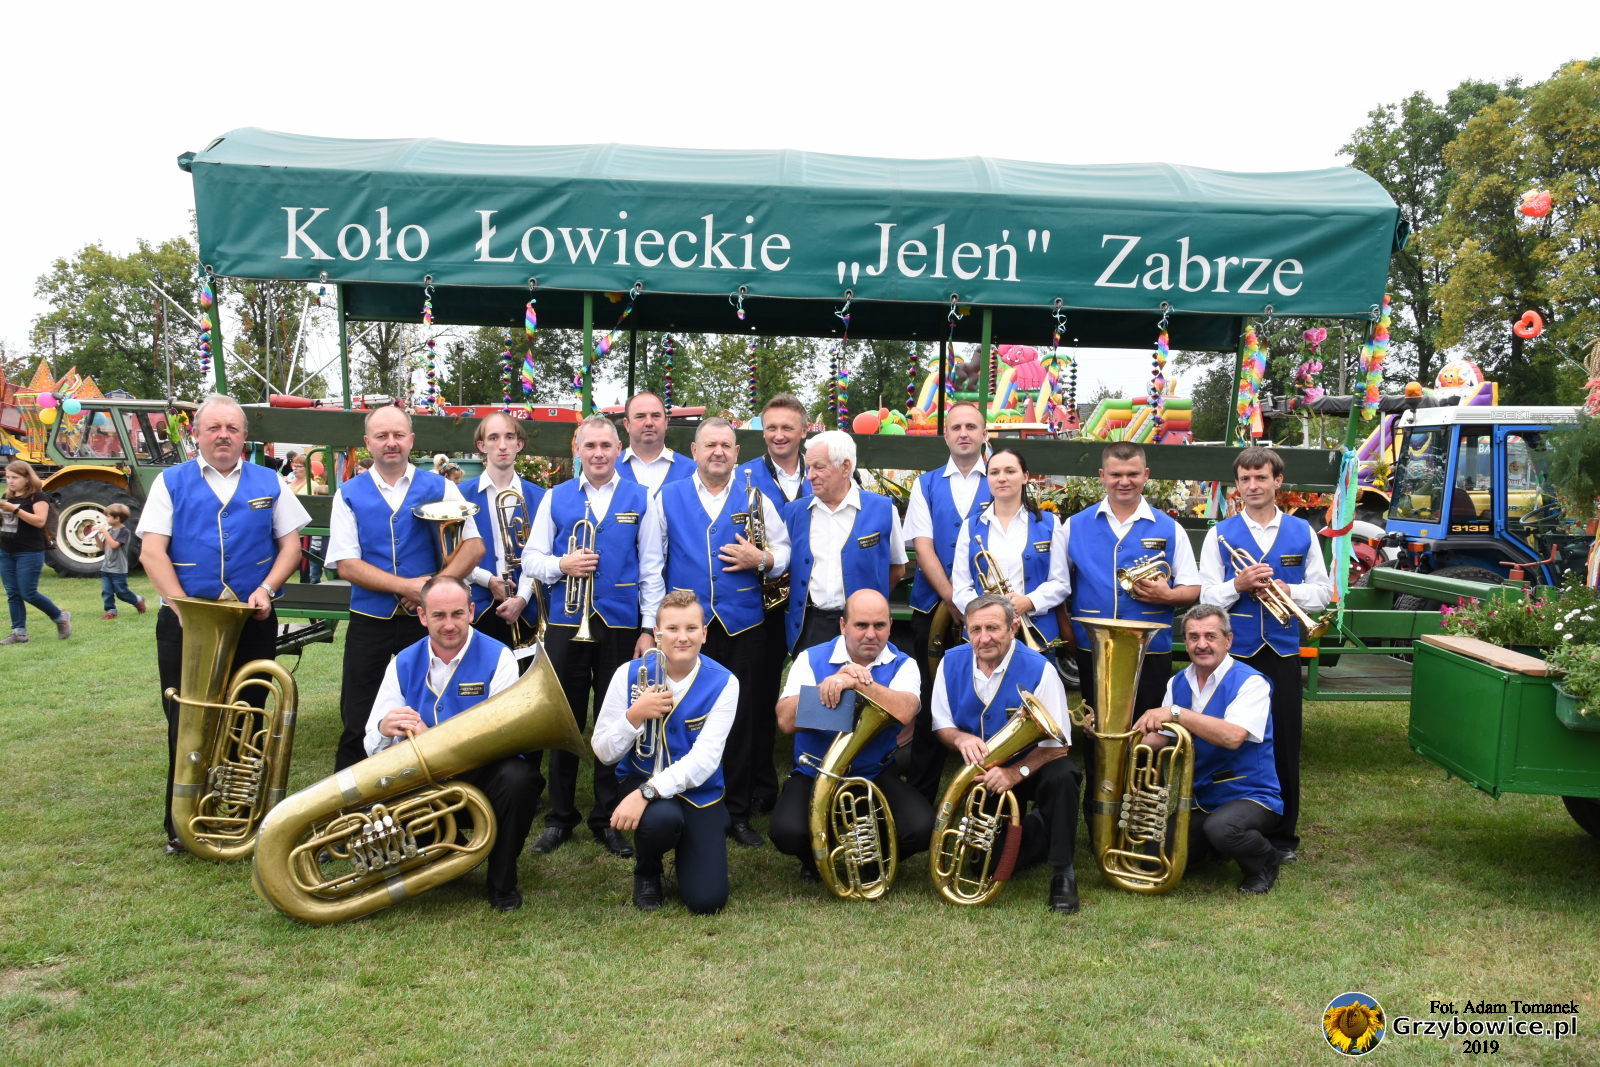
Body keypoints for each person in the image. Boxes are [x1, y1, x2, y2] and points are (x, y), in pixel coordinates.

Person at [136, 395, 309, 853]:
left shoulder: (269, 481)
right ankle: (180, 825)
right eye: (213, 427)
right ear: (196, 434)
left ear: (244, 435)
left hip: (252, 618)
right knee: (186, 721)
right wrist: (182, 609)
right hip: (185, 622)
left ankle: (235, 813)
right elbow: (152, 552)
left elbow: (291, 546)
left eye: (232, 428)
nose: (223, 435)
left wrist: (267, 588)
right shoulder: (170, 481)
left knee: (249, 714)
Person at [511, 415, 657, 859]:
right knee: (564, 719)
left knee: (617, 717)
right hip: (566, 623)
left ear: (618, 450)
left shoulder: (641, 497)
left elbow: (651, 568)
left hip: (619, 622)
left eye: (606, 446)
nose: (598, 453)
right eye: (590, 446)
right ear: (577, 449)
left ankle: (607, 816)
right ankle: (560, 816)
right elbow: (531, 560)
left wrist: (648, 628)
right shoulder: (555, 497)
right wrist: (562, 565)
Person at [640, 417, 789, 849]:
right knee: (684, 714)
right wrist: (655, 626)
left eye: (726, 445)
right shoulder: (667, 497)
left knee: (742, 720)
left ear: (737, 453)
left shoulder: (756, 496)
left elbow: (785, 552)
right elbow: (652, 565)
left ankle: (736, 812)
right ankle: (685, 801)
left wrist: (762, 559)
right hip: (687, 630)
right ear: (694, 450)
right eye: (710, 445)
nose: (718, 451)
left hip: (743, 625)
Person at [325, 404, 483, 772]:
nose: (391, 442)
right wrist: (407, 587)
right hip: (370, 619)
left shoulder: (441, 486)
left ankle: (433, 784)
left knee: (434, 705)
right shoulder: (348, 493)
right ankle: (352, 794)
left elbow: (473, 547)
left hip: (428, 619)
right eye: (381, 436)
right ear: (368, 442)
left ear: (411, 440)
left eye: (398, 435)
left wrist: (434, 589)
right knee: (358, 714)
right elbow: (346, 563)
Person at [364, 576, 536, 912]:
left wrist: (432, 740)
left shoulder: (499, 657)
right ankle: (445, 850)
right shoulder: (402, 662)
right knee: (382, 791)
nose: (449, 625)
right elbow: (372, 746)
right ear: (422, 616)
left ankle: (502, 881)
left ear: (471, 611)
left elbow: (501, 736)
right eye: (439, 615)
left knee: (520, 779)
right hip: (421, 777)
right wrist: (385, 728)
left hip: (481, 771)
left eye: (457, 614)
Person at [1199, 445, 1331, 862]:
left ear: (1278, 481)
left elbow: (1323, 592)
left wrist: (1291, 591)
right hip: (1235, 654)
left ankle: (1283, 835)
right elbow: (1205, 596)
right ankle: (1226, 825)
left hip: (1282, 651)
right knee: (1231, 740)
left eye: (1261, 477)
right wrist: (1236, 586)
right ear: (1237, 485)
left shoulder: (1303, 531)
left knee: (1284, 741)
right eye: (1245, 479)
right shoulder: (1220, 534)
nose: (1253, 485)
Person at [931, 593, 1081, 913]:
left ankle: (1063, 873)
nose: (984, 638)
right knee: (986, 864)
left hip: (1033, 767)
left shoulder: (1041, 669)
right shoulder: (950, 663)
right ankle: (1040, 830)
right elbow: (942, 725)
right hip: (986, 774)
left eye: (993, 628)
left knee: (1064, 776)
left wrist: (1016, 772)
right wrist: (960, 739)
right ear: (966, 631)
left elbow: (1059, 746)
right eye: (976, 629)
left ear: (1013, 628)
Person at [771, 589, 931, 886]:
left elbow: (905, 711)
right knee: (787, 832)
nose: (871, 634)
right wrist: (827, 687)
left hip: (874, 773)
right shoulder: (810, 658)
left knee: (920, 827)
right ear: (843, 625)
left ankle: (872, 860)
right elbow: (785, 721)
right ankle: (814, 858)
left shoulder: (904, 663)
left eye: (879, 625)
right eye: (861, 625)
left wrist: (854, 682)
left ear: (890, 626)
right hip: (815, 771)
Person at [592, 590, 735, 914]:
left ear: (704, 633)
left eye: (691, 628)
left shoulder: (725, 683)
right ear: (657, 634)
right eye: (672, 629)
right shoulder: (627, 674)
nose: (682, 637)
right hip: (641, 778)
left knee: (707, 901)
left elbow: (704, 761)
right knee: (662, 820)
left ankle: (691, 847)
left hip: (698, 792)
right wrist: (634, 715)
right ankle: (648, 870)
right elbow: (603, 751)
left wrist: (647, 792)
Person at [1132, 605, 1283, 894]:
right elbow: (1159, 739)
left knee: (1222, 829)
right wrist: (1118, 737)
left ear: (1229, 640)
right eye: (1193, 637)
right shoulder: (1177, 682)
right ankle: (1215, 850)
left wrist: (1177, 713)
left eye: (1210, 636)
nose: (1201, 644)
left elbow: (1233, 737)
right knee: (1155, 857)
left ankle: (1266, 860)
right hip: (1202, 798)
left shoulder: (1251, 682)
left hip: (1251, 795)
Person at [1064, 441, 1202, 719]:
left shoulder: (1170, 528)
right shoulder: (1074, 526)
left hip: (1151, 647)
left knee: (1147, 722)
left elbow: (1192, 588)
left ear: (1146, 475)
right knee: (1097, 723)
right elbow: (1059, 585)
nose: (1124, 481)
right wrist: (1067, 633)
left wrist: (1168, 595)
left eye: (1133, 474)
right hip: (1093, 645)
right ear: (1102, 476)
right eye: (1116, 474)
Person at [901, 401, 990, 803]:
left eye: (971, 426)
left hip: (989, 613)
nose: (964, 433)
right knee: (930, 696)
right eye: (956, 427)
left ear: (984, 434)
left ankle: (986, 795)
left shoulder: (1001, 476)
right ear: (946, 436)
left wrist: (974, 607)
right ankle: (920, 797)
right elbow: (923, 546)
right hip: (933, 608)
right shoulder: (926, 484)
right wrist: (954, 600)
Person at [733, 392, 813, 816]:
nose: (778, 435)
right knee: (758, 695)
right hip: (761, 605)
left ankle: (814, 778)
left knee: (817, 692)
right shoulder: (741, 475)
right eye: (771, 428)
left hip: (812, 603)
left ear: (804, 430)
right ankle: (759, 784)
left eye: (787, 427)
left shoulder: (824, 468)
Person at [783, 430, 907, 653]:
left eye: (819, 467)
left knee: (864, 676)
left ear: (846, 467)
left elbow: (897, 568)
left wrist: (869, 606)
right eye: (808, 467)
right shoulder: (795, 512)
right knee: (812, 677)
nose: (810, 476)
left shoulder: (883, 509)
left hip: (864, 628)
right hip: (812, 626)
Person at [951, 447, 1070, 649]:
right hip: (984, 634)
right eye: (994, 472)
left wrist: (1029, 601)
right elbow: (961, 587)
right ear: (987, 479)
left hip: (1037, 631)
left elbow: (1060, 582)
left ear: (1025, 477)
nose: (1002, 478)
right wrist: (990, 613)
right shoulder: (970, 526)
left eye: (1010, 471)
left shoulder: (1050, 524)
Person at [463, 412, 546, 658]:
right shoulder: (460, 495)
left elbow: (544, 553)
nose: (502, 445)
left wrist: (522, 597)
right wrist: (487, 580)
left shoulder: (541, 497)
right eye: (493, 438)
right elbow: (454, 554)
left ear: (519, 444)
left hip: (528, 608)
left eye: (509, 437)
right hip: (477, 605)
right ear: (481, 446)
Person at [1, 460, 71, 644]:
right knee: (13, 593)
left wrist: (15, 510)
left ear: (27, 478)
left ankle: (60, 616)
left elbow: (40, 521)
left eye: (15, 477)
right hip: (6, 551)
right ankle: (19, 632)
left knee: (28, 592)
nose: (10, 481)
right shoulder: (7, 497)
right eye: (8, 477)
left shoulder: (38, 497)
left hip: (29, 551)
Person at [617, 391, 694, 492]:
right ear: (627, 424)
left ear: (666, 421)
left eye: (656, 416)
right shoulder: (610, 468)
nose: (649, 423)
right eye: (640, 416)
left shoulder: (691, 470)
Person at [96, 502, 147, 619]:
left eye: (108, 516)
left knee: (121, 592)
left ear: (117, 518)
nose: (106, 518)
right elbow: (102, 547)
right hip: (106, 568)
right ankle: (111, 611)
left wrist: (104, 532)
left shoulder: (124, 532)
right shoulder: (109, 531)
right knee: (107, 592)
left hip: (118, 569)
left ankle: (137, 600)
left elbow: (114, 545)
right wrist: (96, 535)